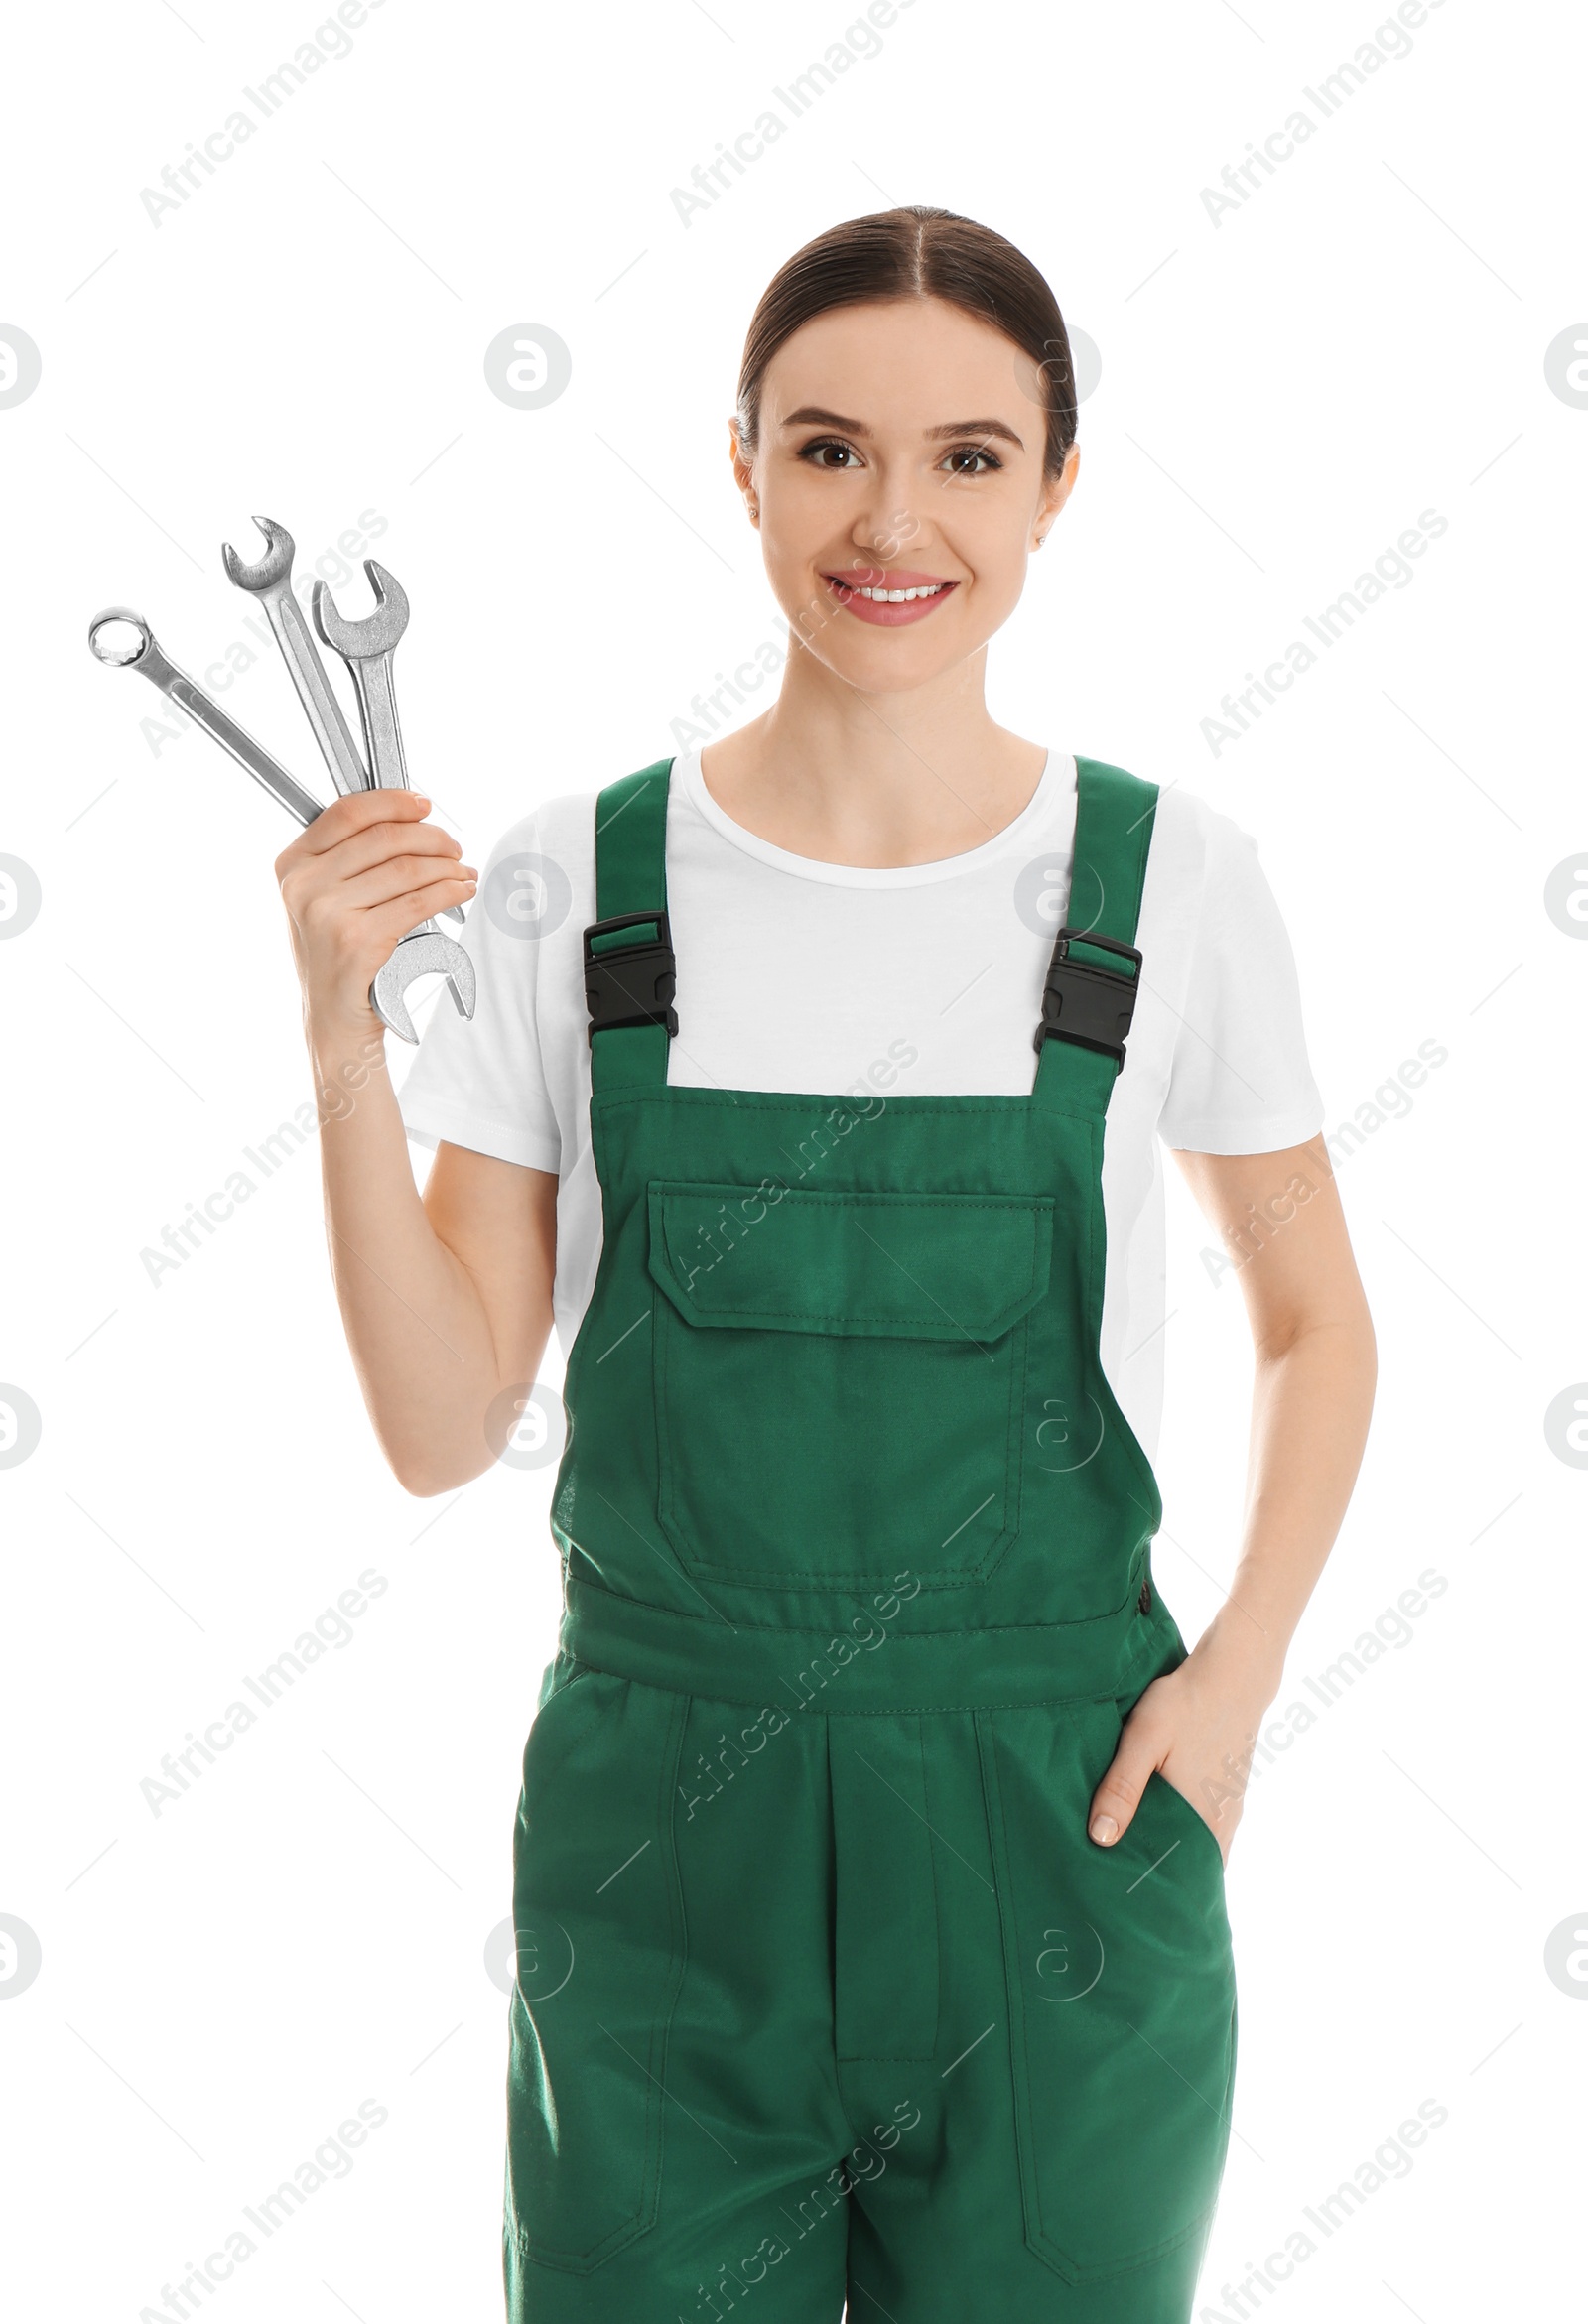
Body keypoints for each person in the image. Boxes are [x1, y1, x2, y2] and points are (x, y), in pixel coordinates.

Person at [275, 205, 1376, 2324]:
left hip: (1052, 1828)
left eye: (969, 455)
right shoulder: (566, 886)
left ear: (1056, 483)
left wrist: (1233, 1684)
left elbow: (1315, 1320)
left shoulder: (1168, 886)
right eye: (826, 447)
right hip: (663, 1855)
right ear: (742, 463)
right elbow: (436, 1430)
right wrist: (333, 1030)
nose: (891, 517)